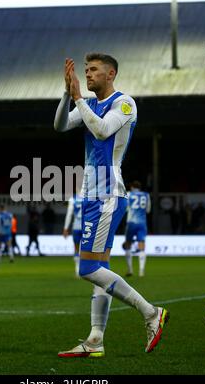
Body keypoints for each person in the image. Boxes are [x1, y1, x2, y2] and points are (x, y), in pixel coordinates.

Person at [54, 53, 169, 357]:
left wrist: (78, 96)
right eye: (85, 71)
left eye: (93, 70)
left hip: (107, 193)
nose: (87, 74)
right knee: (100, 268)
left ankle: (150, 312)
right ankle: (95, 340)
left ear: (111, 74)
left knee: (88, 268)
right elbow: (60, 125)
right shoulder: (87, 103)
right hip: (93, 194)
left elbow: (103, 130)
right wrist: (69, 92)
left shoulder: (124, 103)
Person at [124, 181, 151, 277]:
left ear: (132, 187)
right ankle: (141, 271)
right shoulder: (146, 195)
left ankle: (130, 269)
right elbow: (148, 210)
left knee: (128, 244)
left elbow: (125, 208)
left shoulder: (128, 194)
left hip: (131, 223)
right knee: (142, 246)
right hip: (142, 223)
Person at [63, 191, 83, 278]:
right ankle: (88, 271)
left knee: (76, 248)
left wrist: (66, 228)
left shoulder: (72, 199)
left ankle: (77, 271)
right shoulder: (89, 197)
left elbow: (69, 214)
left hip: (76, 227)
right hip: (87, 227)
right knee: (87, 249)